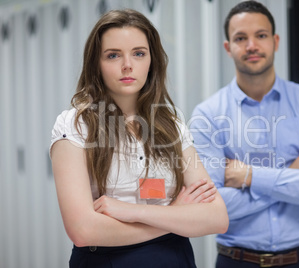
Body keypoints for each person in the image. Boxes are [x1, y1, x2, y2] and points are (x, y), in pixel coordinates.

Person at [49, 9, 228, 268]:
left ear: (152, 60)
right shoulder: (75, 125)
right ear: (95, 64)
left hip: (175, 259)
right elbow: (82, 230)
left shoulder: (172, 124)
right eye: (113, 55)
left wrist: (133, 212)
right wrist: (175, 217)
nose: (127, 65)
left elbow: (217, 217)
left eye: (139, 53)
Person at [190, 1, 299, 267]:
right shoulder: (208, 115)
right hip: (236, 260)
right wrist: (293, 172)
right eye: (240, 38)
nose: (251, 46)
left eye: (260, 35)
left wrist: (249, 176)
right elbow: (211, 208)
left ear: (275, 41)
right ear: (228, 47)